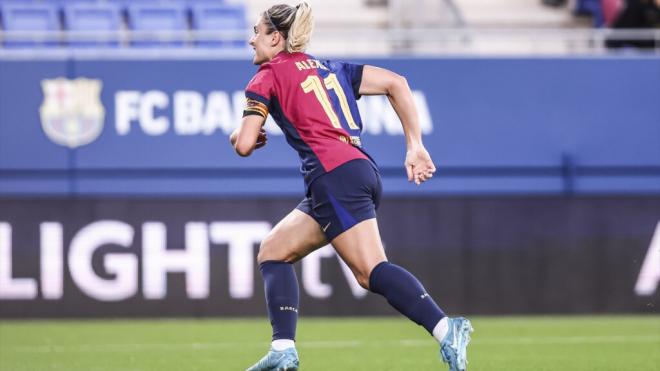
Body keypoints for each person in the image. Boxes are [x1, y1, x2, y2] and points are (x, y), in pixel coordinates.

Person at [230, 3, 473, 370]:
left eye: (257, 32)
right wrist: (415, 145)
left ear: (276, 38)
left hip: (333, 177)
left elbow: (245, 145)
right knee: (273, 251)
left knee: (370, 270)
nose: (252, 40)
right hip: (357, 170)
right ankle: (283, 349)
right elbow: (397, 83)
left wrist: (240, 133)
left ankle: (444, 327)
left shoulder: (267, 75)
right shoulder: (331, 68)